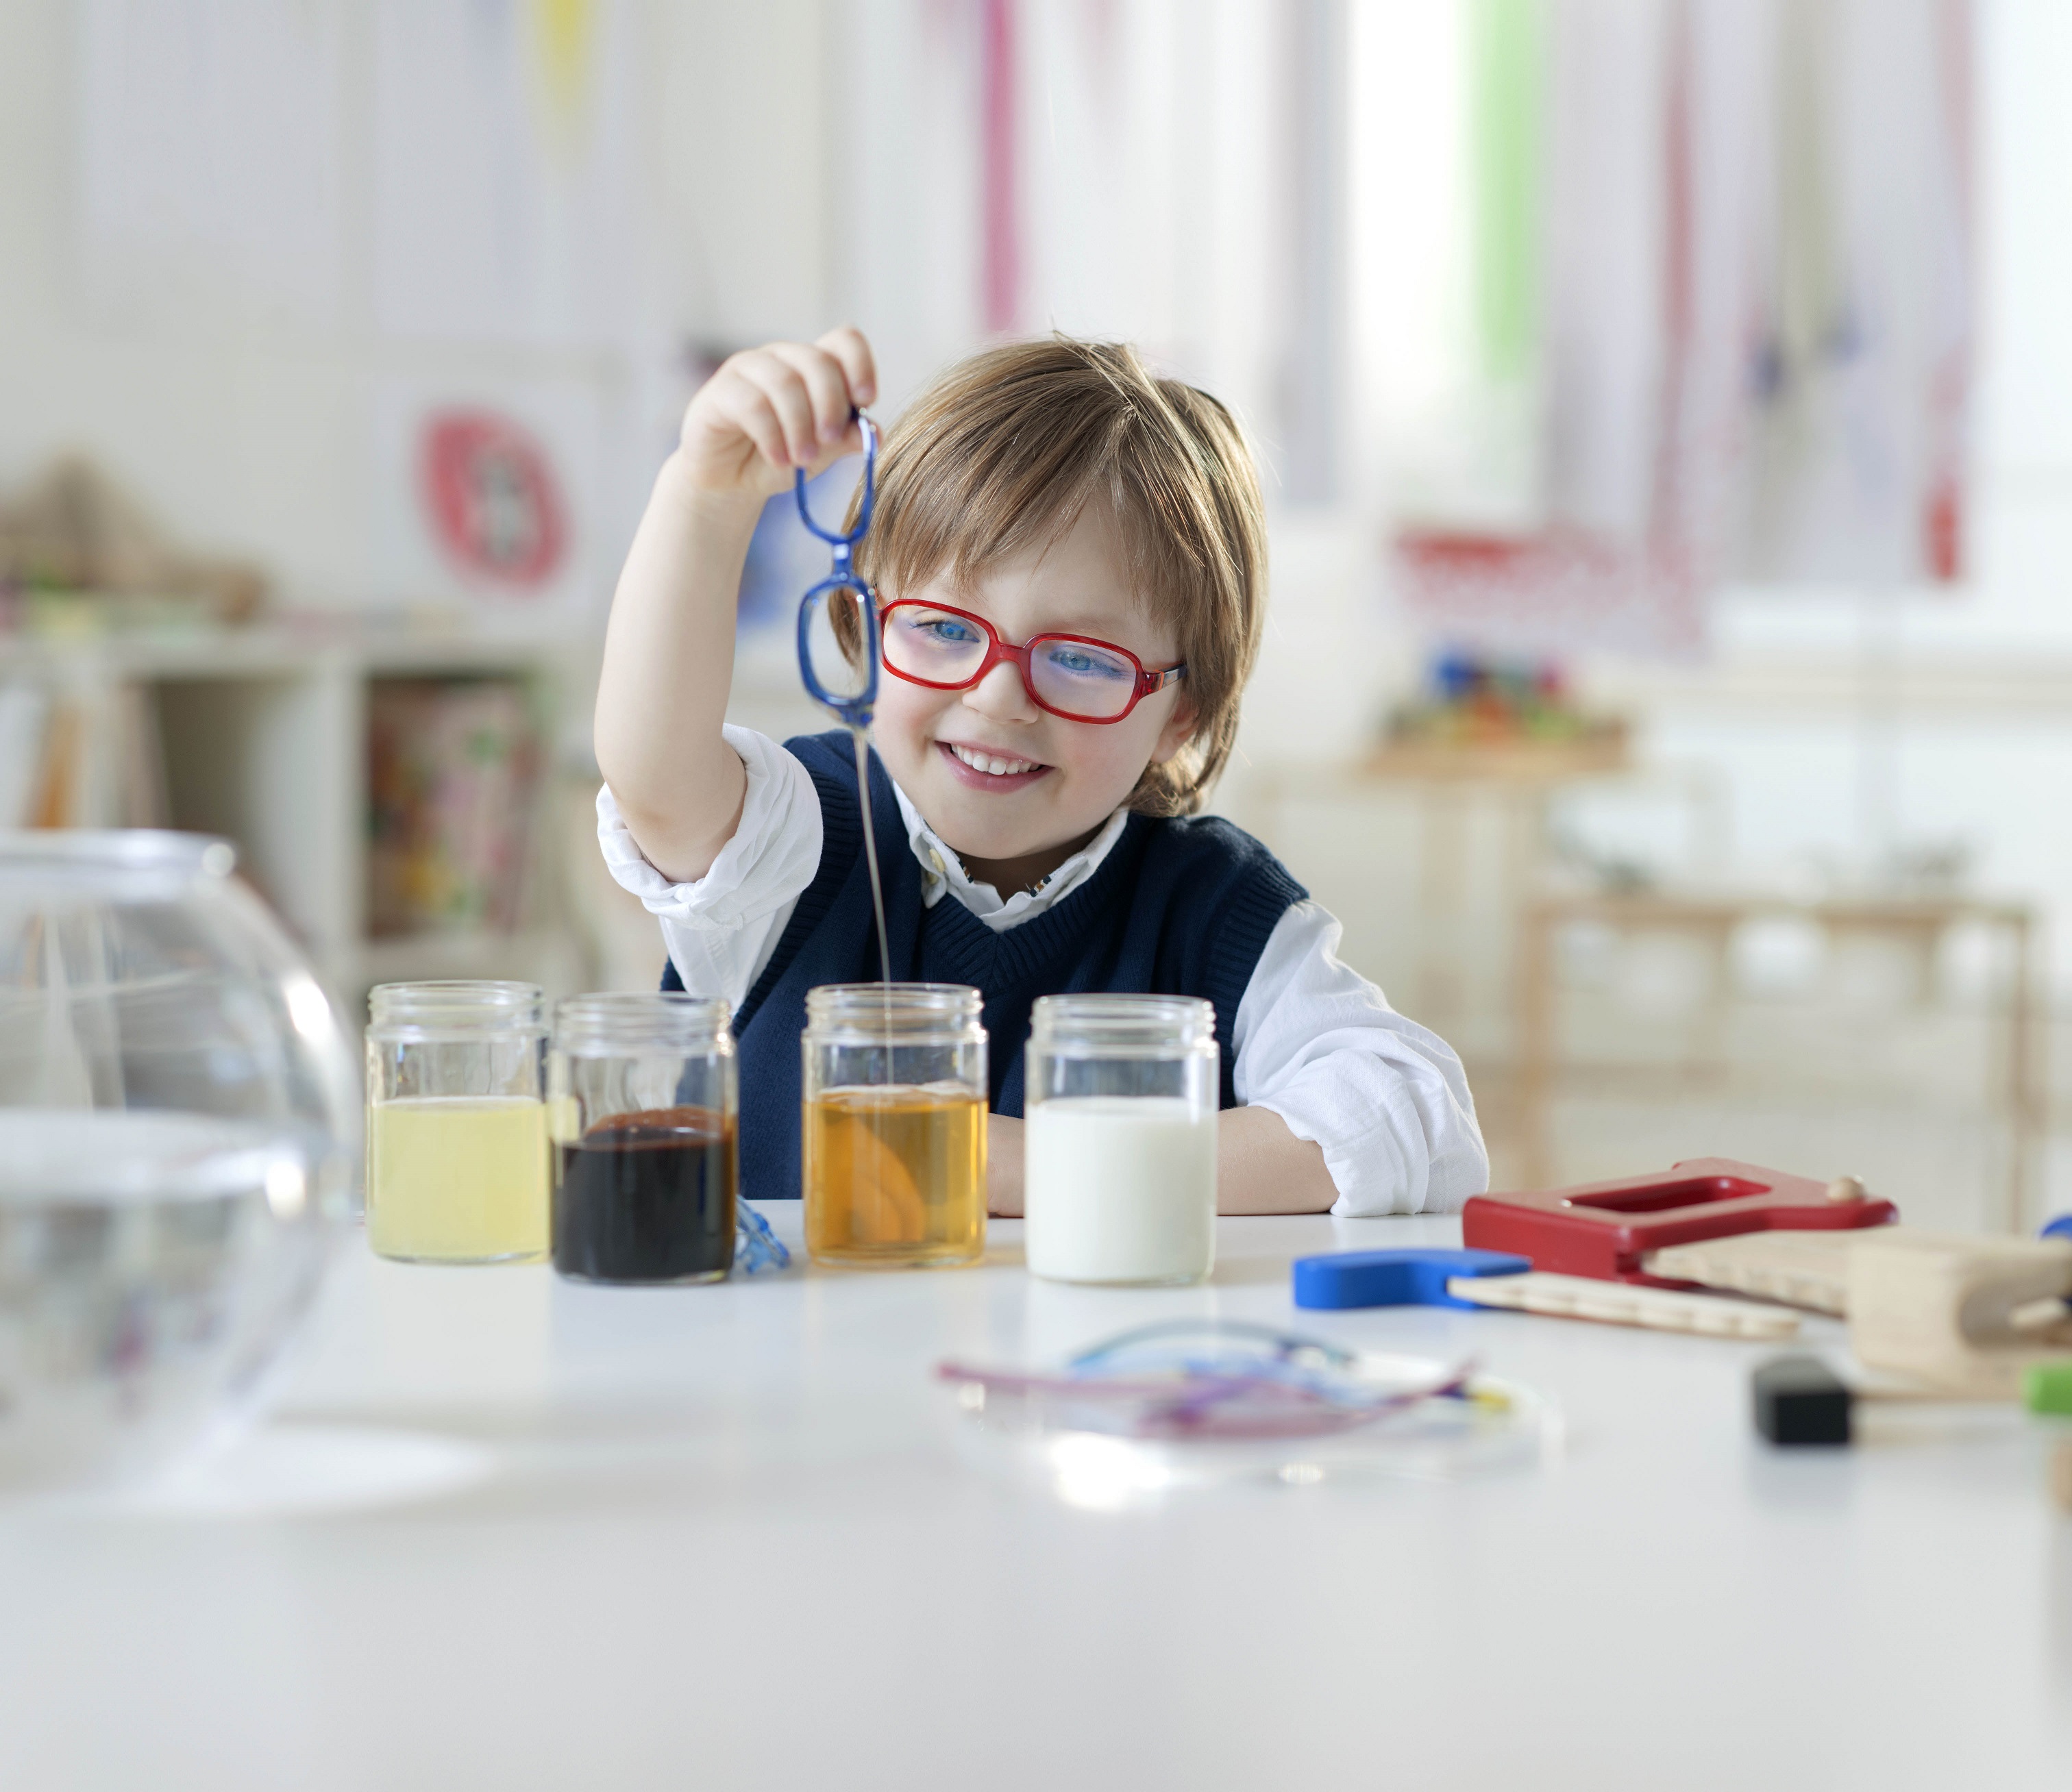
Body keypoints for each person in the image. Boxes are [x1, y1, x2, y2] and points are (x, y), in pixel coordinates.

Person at [593, 327, 1486, 1217]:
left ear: (1181, 713)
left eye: (1083, 658)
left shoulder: (1212, 907)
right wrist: (705, 499)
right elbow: (657, 783)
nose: (999, 697)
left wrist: (1001, 1162)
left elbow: (1417, 1117)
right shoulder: (806, 835)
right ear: (866, 631)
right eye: (943, 628)